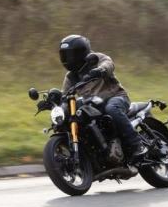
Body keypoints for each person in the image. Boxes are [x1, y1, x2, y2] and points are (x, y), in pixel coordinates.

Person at [59, 34, 147, 162]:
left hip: (116, 97)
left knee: (112, 109)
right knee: (74, 115)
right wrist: (55, 100)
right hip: (93, 105)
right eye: (65, 55)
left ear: (81, 52)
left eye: (70, 55)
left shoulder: (95, 59)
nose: (68, 59)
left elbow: (108, 63)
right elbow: (65, 95)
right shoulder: (71, 76)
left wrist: (101, 70)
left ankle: (137, 144)